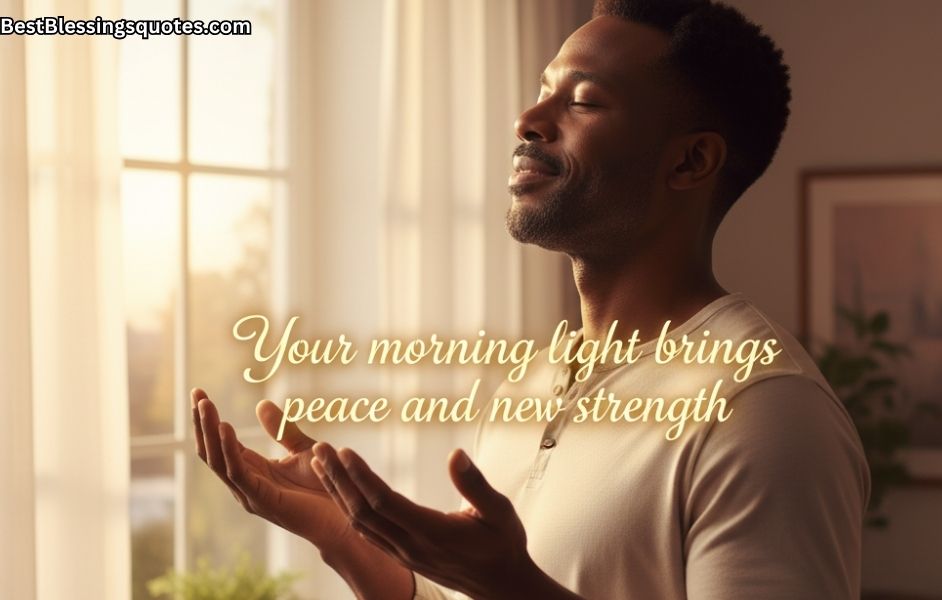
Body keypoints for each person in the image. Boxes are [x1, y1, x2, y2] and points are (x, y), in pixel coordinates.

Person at [192, 0, 871, 598]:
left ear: (690, 162)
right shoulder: (531, 381)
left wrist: (511, 588)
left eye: (583, 100)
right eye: (543, 89)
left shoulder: (768, 412)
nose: (529, 118)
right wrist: (343, 535)